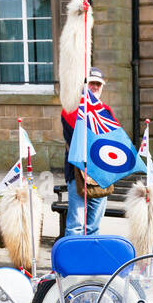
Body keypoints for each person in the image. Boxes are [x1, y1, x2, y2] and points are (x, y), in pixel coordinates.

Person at [60, 67, 113, 237]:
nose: (95, 87)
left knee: (93, 227)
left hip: (100, 172)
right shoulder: (71, 109)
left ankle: (89, 260)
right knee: (76, 225)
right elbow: (81, 134)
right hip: (78, 172)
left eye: (98, 84)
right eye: (91, 83)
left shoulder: (106, 110)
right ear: (84, 85)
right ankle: (72, 262)